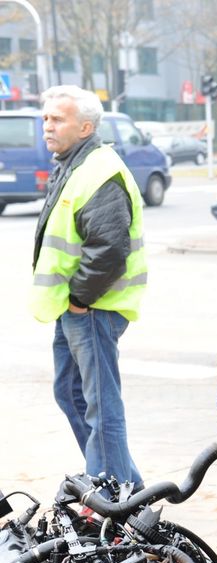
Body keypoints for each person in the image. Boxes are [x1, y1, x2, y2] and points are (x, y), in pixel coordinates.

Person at [30, 85, 147, 487]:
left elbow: (110, 247)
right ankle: (126, 486)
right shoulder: (72, 164)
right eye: (45, 118)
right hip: (73, 308)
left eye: (56, 119)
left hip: (94, 309)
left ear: (84, 127)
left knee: (101, 407)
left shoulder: (99, 171)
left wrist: (80, 299)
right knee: (70, 394)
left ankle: (113, 494)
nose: (47, 126)